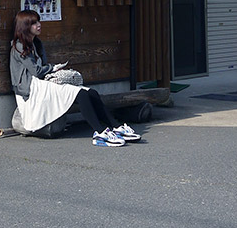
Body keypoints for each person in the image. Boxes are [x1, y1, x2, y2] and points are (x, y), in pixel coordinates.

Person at [9, 9, 140, 147]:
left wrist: (51, 68)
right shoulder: (19, 46)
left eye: (38, 21)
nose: (39, 25)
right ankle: (99, 132)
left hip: (40, 84)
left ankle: (115, 127)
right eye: (33, 23)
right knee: (81, 94)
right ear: (25, 26)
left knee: (91, 93)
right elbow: (36, 71)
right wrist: (53, 68)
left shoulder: (36, 43)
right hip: (31, 89)